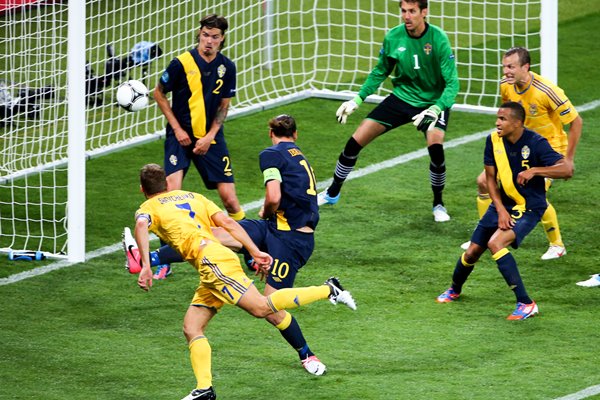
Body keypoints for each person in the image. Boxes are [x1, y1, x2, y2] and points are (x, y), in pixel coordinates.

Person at [130, 163, 356, 400]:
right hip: (212, 267)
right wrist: (253, 251)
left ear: (142, 190)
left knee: (262, 307)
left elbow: (141, 224)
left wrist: (146, 264)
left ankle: (328, 289)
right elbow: (228, 223)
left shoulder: (147, 207)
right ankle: (204, 389)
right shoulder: (192, 196)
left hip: (214, 264)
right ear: (167, 184)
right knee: (192, 327)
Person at [318, 0, 459, 222]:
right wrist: (358, 98)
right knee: (355, 141)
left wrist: (436, 108)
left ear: (424, 12)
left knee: (436, 148)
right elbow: (380, 70)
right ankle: (332, 192)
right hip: (402, 98)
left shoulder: (438, 39)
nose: (407, 16)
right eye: (404, 11)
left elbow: (452, 83)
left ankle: (438, 203)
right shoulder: (393, 37)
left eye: (412, 11)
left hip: (432, 103)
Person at [436, 102, 573, 320]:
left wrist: (536, 171)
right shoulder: (493, 140)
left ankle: (527, 303)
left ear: (518, 123)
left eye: (503, 119)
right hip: (504, 203)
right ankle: (454, 289)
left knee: (495, 243)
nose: (497, 123)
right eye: (498, 118)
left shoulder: (536, 143)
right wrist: (500, 209)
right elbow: (490, 178)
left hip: (529, 207)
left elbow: (567, 169)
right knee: (472, 251)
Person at [215, 114, 327, 375]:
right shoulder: (298, 156)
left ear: (270, 132)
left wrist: (266, 210)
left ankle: (307, 353)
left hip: (290, 240)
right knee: (215, 234)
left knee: (269, 307)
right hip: (277, 229)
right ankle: (149, 259)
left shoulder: (271, 154)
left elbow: (274, 195)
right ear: (295, 135)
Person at [461, 47, 583, 260]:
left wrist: (568, 159)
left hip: (549, 149)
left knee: (530, 192)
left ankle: (557, 244)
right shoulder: (506, 85)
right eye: (504, 66)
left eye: (511, 67)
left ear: (525, 67)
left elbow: (576, 121)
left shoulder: (546, 91)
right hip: (520, 146)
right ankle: (486, 232)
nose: (506, 71)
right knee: (483, 181)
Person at [152, 14, 245, 279]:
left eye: (215, 37)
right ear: (199, 34)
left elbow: (224, 106)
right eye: (205, 35)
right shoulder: (181, 63)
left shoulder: (227, 67)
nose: (209, 41)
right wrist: (178, 129)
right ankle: (164, 259)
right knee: (170, 195)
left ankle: (249, 246)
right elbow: (158, 93)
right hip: (179, 138)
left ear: (222, 38)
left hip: (211, 139)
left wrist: (210, 136)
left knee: (229, 198)